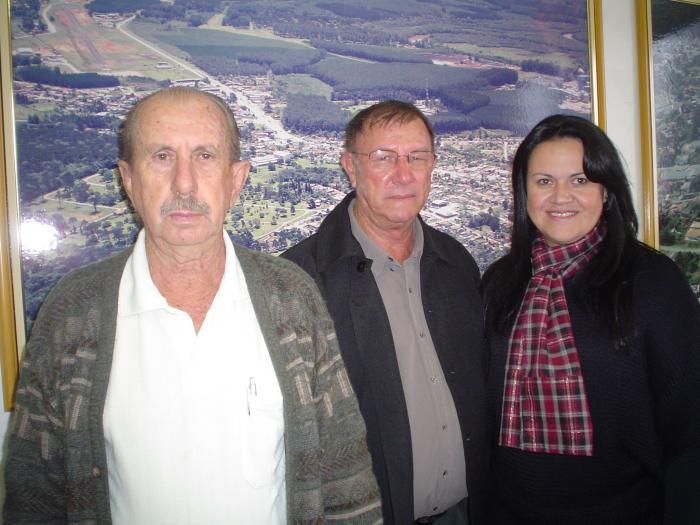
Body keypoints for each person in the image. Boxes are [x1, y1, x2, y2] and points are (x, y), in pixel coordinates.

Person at [4, 87, 382, 524]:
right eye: (161, 156)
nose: (184, 183)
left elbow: (345, 473)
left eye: (204, 156)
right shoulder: (71, 311)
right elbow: (34, 494)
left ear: (236, 180)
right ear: (128, 180)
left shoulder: (292, 298)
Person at [481, 114, 700, 524]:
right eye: (544, 181)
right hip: (508, 513)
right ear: (523, 192)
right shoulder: (500, 283)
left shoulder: (651, 282)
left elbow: (689, 428)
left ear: (606, 190)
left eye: (580, 180)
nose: (561, 197)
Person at [283, 100, 488, 524]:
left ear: (433, 165)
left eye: (416, 157)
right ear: (350, 167)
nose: (403, 174)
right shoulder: (300, 281)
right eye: (383, 158)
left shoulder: (456, 262)